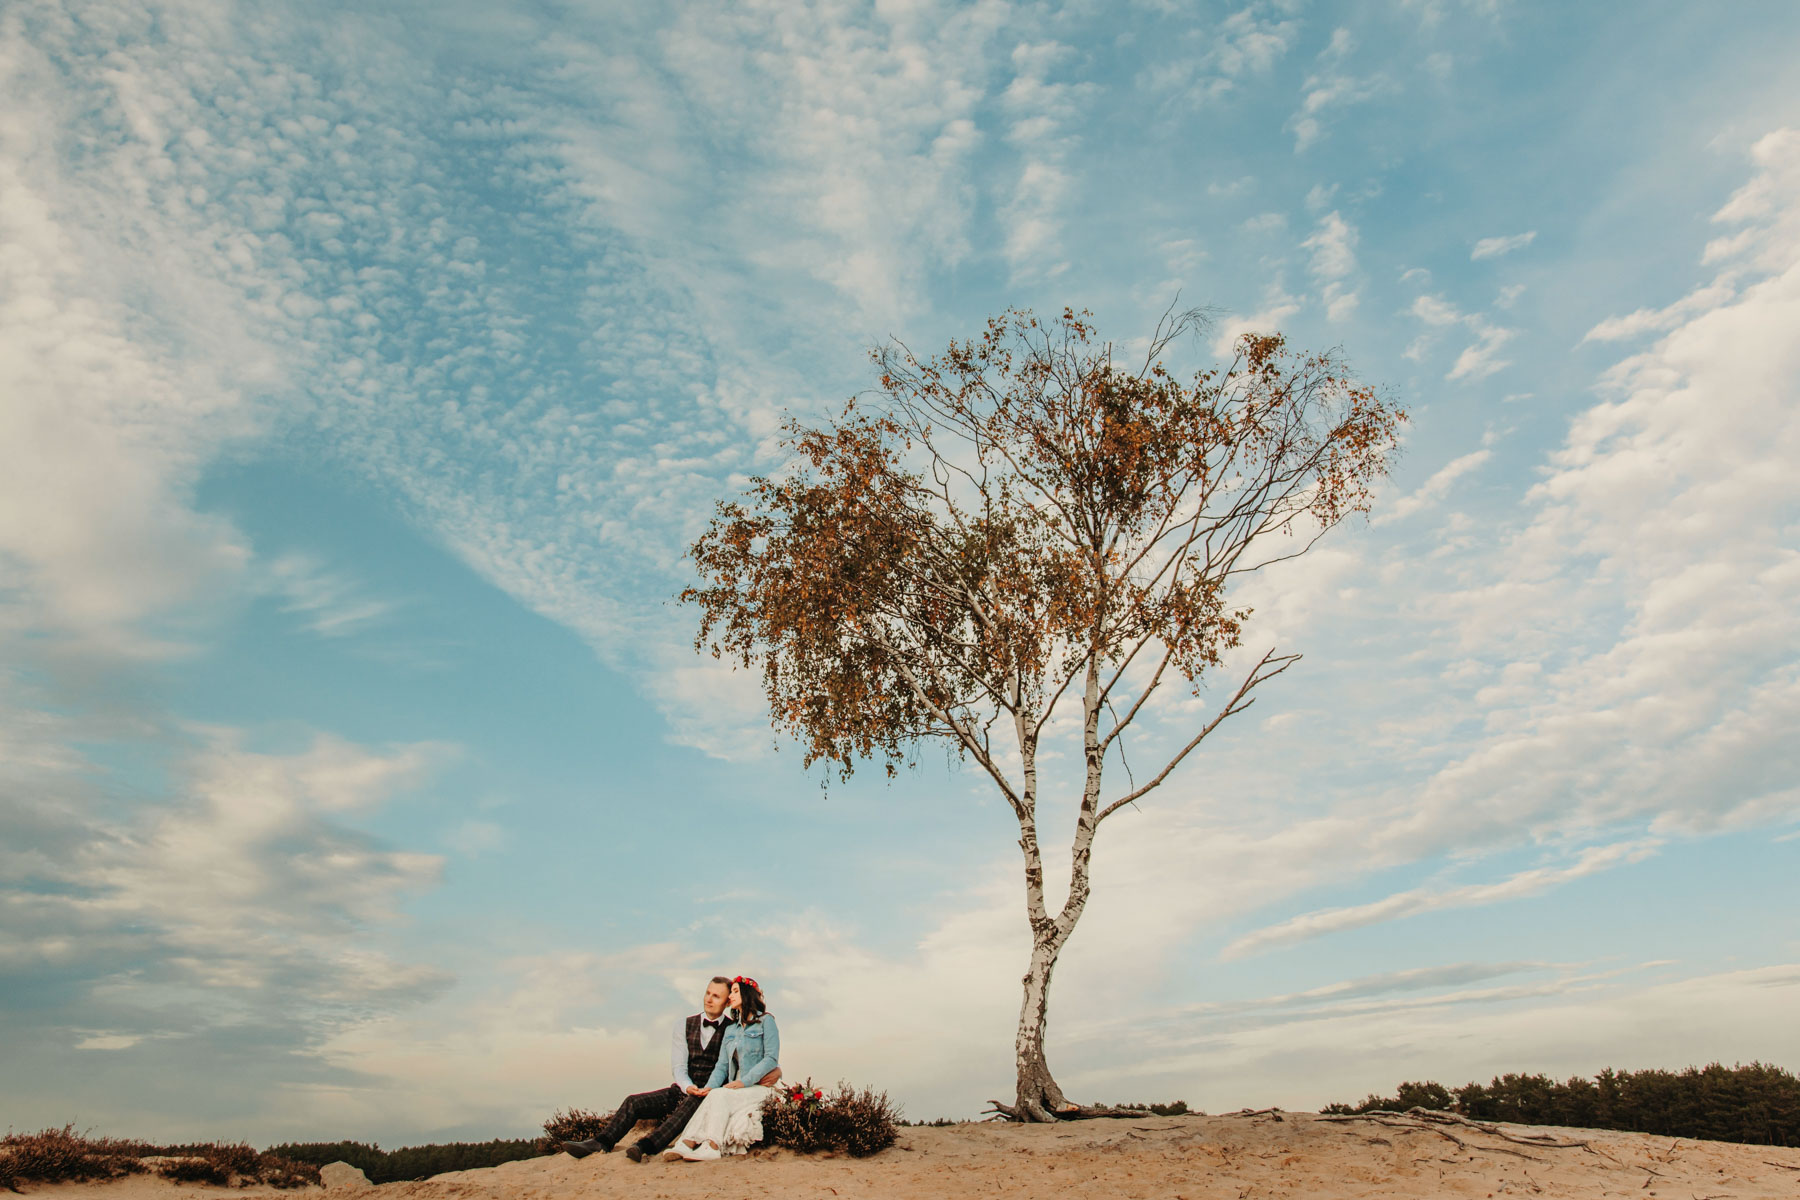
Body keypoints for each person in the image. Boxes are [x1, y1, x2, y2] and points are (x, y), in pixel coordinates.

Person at [561, 976, 780, 1161]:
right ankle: (600, 1142)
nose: (709, 999)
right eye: (707, 993)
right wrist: (687, 1087)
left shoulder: (732, 1028)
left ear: (726, 1003)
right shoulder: (683, 1025)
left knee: (692, 1103)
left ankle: (645, 1147)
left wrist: (708, 1089)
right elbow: (678, 1066)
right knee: (633, 1102)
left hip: (708, 1094)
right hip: (684, 1089)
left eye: (717, 996)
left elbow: (752, 1059)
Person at [665, 975, 780, 1161]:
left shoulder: (767, 1021)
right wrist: (709, 1087)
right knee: (714, 1093)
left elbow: (771, 1059)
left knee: (720, 1094)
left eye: (735, 992)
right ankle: (686, 1143)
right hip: (737, 1088)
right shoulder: (731, 1030)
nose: (730, 997)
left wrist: (743, 1082)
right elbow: (721, 1066)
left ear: (747, 994)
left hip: (759, 1087)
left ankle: (712, 1146)